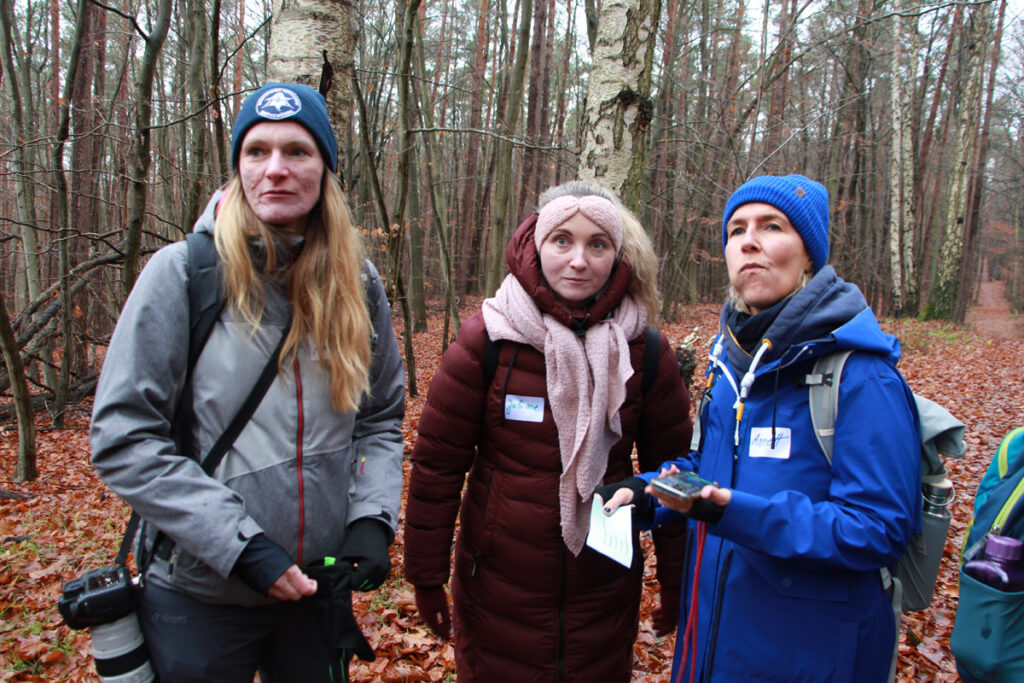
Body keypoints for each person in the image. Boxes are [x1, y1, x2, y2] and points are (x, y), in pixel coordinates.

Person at [90, 83, 405, 681]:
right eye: (256, 151)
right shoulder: (184, 274)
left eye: (297, 151)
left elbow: (379, 418)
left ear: (326, 170)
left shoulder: (358, 284)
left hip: (315, 591)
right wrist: (241, 547)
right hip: (201, 594)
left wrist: (371, 519)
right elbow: (124, 438)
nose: (275, 169)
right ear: (238, 167)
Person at [601, 174, 921, 682]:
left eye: (772, 227)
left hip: (811, 658)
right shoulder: (732, 363)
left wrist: (731, 512)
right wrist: (649, 492)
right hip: (712, 644)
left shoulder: (862, 376)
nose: (748, 241)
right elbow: (709, 467)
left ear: (809, 254)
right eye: (736, 230)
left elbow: (877, 529)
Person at [403, 181, 692, 682]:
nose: (578, 260)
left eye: (596, 244)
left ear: (618, 255)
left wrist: (676, 580)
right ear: (535, 246)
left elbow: (674, 477)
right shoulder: (489, 339)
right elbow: (437, 466)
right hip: (496, 590)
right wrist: (426, 577)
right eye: (562, 240)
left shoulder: (644, 350)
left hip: (604, 592)